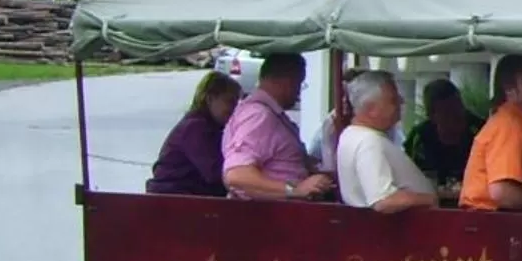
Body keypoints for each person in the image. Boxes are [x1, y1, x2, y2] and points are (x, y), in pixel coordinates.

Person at [222, 52, 335, 202]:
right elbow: (237, 174)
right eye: (299, 84)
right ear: (288, 82)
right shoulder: (258, 116)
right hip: (268, 216)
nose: (298, 92)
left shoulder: (269, 114)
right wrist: (295, 189)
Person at [461, 54, 522, 213]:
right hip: (493, 225)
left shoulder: (518, 124)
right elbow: (503, 192)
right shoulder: (509, 126)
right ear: (509, 90)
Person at [335, 71, 437, 213]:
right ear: (371, 108)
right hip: (395, 231)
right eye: (393, 100)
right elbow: (384, 201)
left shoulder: (352, 135)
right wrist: (429, 199)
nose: (401, 101)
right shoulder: (368, 141)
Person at [146, 71, 240, 197]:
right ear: (210, 99)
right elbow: (215, 172)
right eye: (229, 102)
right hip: (173, 199)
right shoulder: (195, 128)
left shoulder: (212, 127)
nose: (235, 109)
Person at [407, 78, 475, 197]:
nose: (455, 117)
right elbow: (408, 175)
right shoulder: (420, 137)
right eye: (446, 112)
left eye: (458, 109)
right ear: (431, 115)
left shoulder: (479, 129)